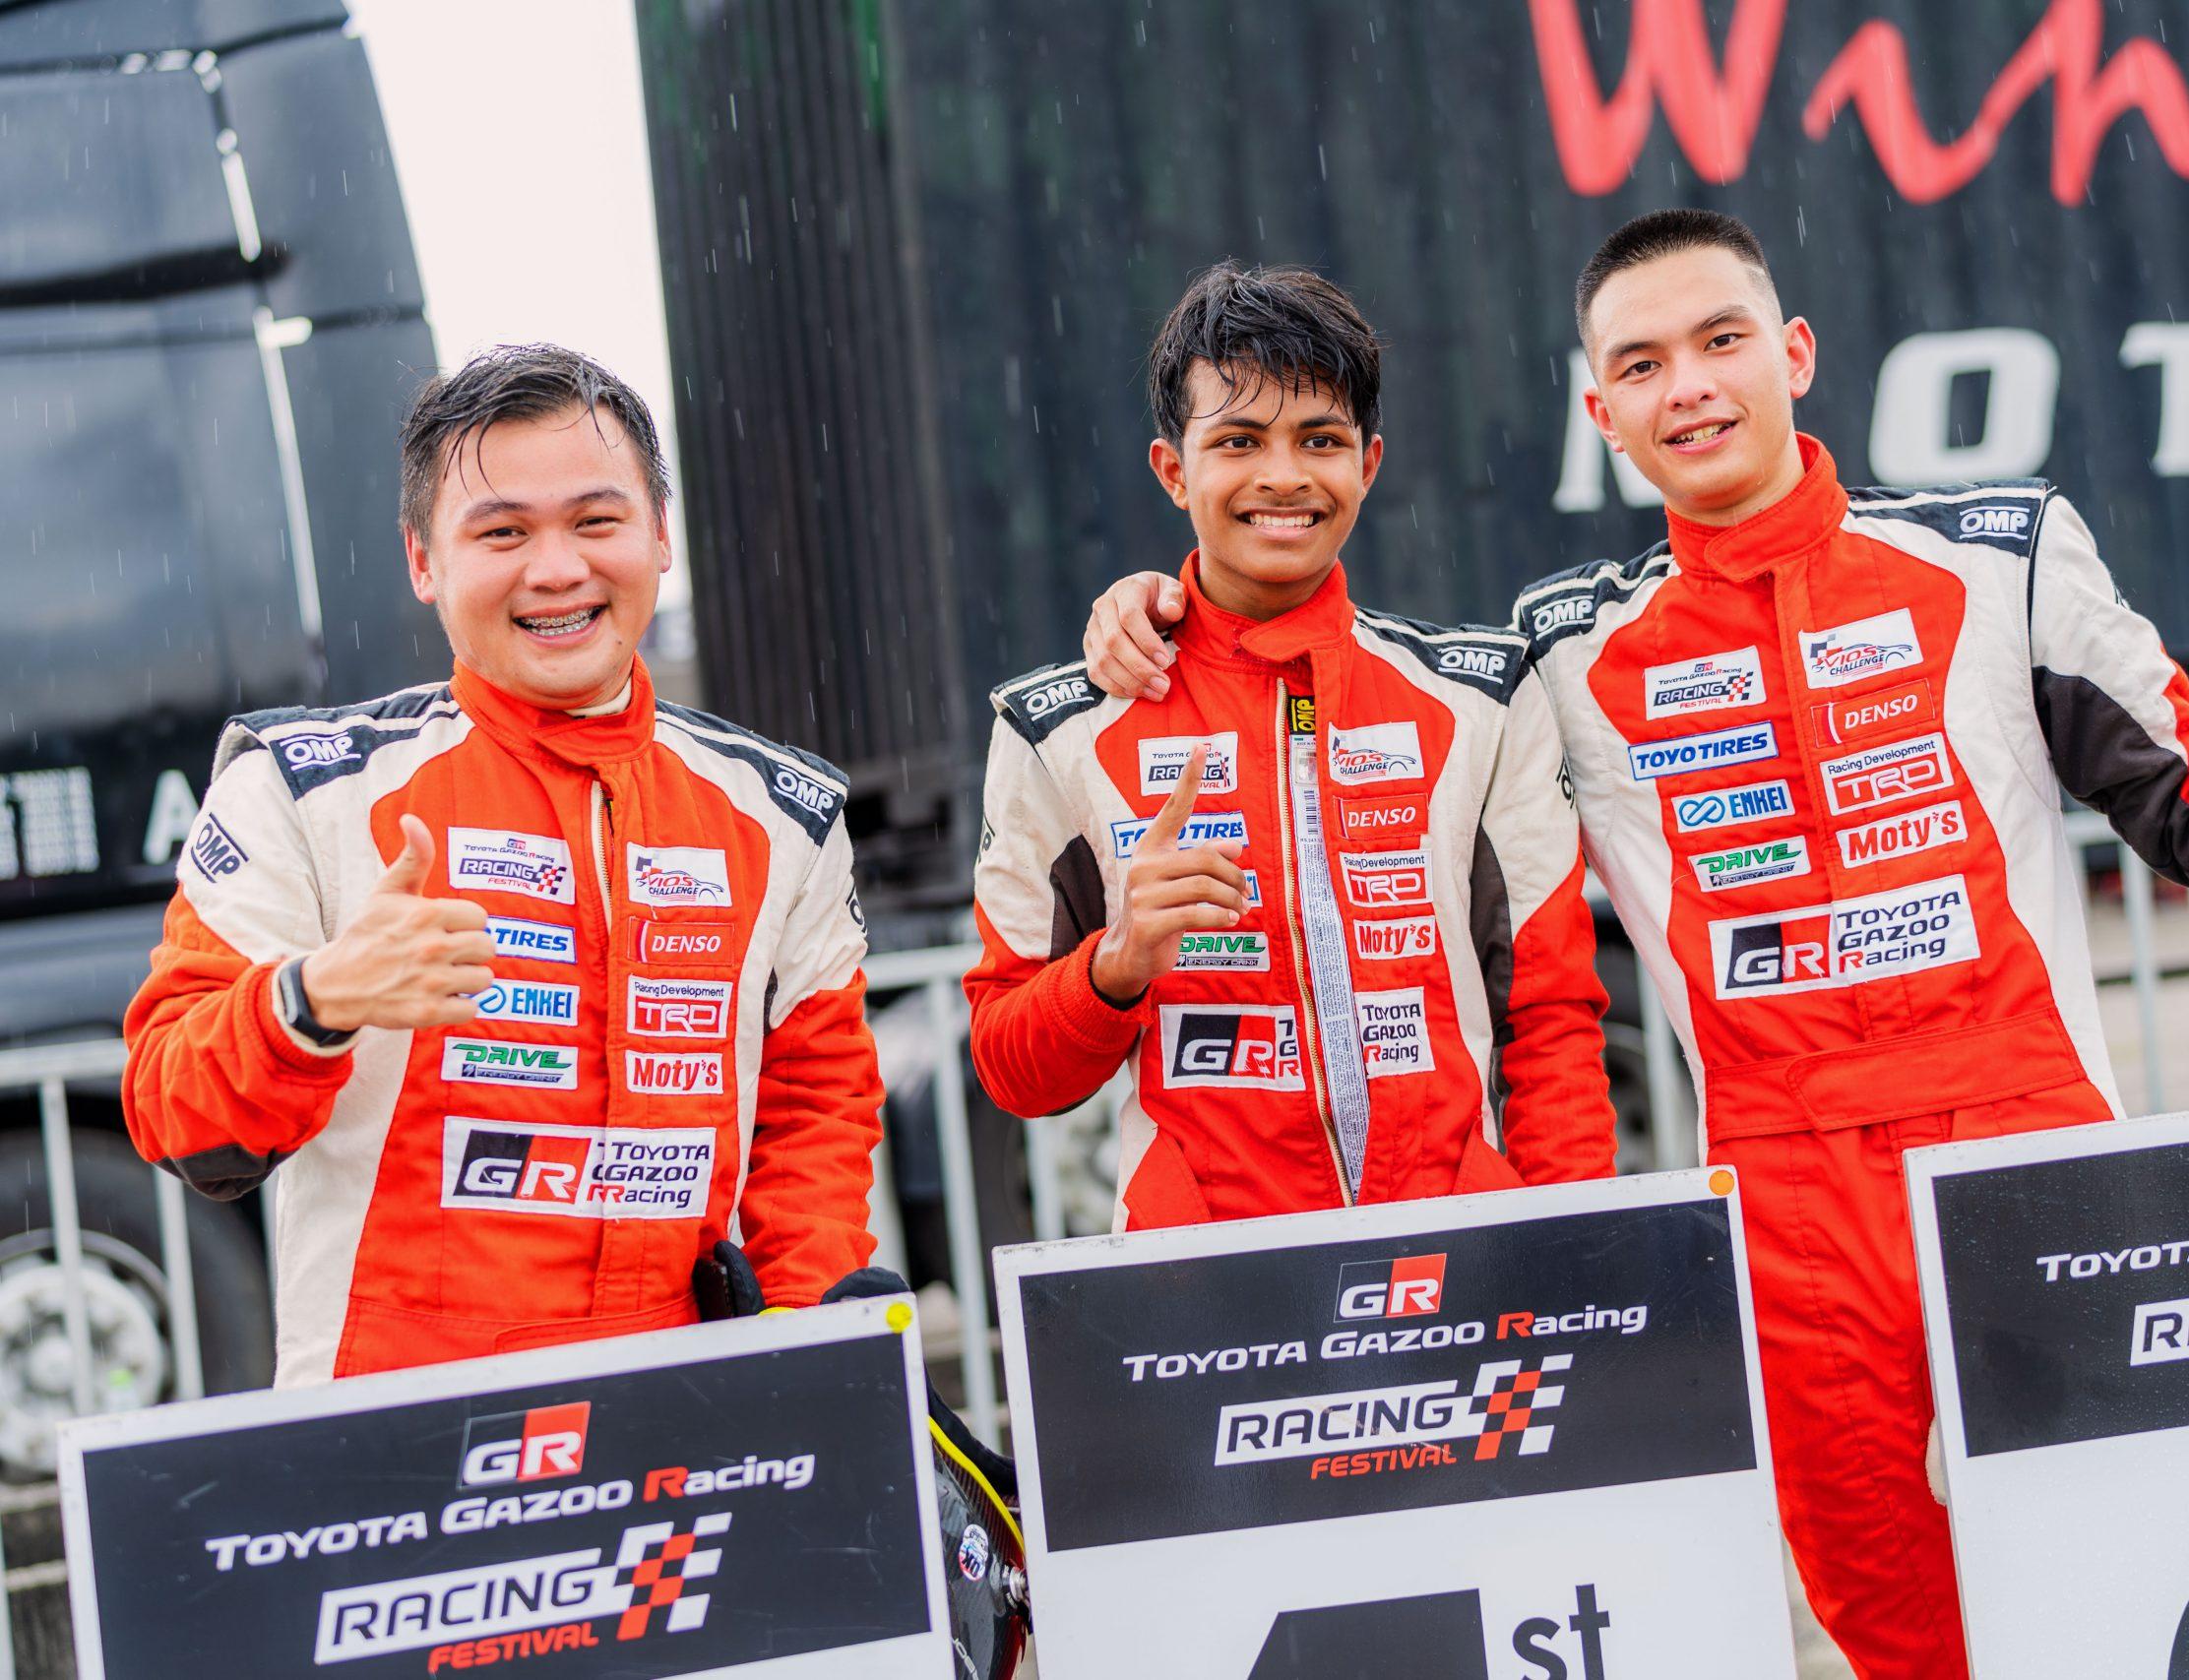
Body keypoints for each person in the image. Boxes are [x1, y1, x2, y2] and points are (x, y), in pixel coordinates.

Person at [1078, 214, 2189, 1676]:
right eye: (1641, 364)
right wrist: (1155, 613)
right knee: (1887, 1615)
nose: (1688, 386)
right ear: (1600, 412)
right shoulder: (1561, 648)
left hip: (2029, 1158)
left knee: (2122, 1572)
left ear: (1793, 353)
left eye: (1720, 340)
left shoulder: (2000, 552)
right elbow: (1340, 661)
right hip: (1784, 1207)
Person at [122, 344, 885, 1387]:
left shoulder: (783, 813)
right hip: (400, 1421)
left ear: (661, 534)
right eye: (503, 532)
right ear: (423, 560)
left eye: (597, 521)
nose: (557, 569)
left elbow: (813, 1116)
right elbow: (173, 1111)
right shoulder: (302, 791)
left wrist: (805, 1351)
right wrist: (312, 1000)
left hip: (689, 1412)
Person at [966, 262, 1616, 1230]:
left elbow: (1550, 1021)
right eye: (1238, 441)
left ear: (1369, 464)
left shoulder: (1482, 698)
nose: (1282, 476)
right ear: (1174, 471)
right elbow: (1013, 1073)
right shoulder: (1060, 729)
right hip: (1211, 1288)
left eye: (1319, 439)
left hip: (1458, 1262)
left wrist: (1577, 1248)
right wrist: (1117, 964)